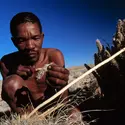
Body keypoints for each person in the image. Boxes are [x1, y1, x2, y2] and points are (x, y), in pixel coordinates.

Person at [0, 12, 69, 114]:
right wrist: (13, 74)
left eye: (35, 38)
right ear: (14, 41)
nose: (30, 46)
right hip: (27, 114)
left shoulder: (54, 56)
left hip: (55, 109)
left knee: (74, 116)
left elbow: (65, 100)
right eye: (21, 40)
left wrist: (62, 84)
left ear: (42, 37)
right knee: (11, 82)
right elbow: (8, 96)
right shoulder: (7, 62)